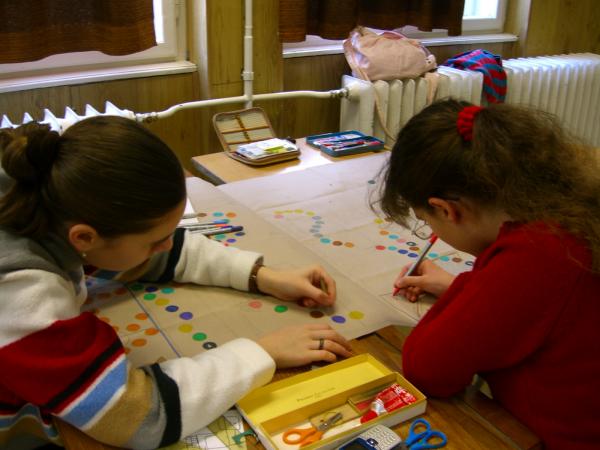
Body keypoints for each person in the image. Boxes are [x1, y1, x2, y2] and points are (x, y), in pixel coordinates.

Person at [0, 116, 353, 450]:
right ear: (84, 238)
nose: (167, 246)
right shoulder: (24, 296)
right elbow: (141, 416)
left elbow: (147, 255)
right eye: (155, 240)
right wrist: (264, 352)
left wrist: (263, 276)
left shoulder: (47, 198)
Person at [378, 99, 600, 449]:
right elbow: (540, 306)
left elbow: (427, 368)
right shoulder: (564, 208)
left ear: (446, 210)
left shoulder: (537, 252)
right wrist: (467, 285)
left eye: (426, 221)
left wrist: (469, 291)